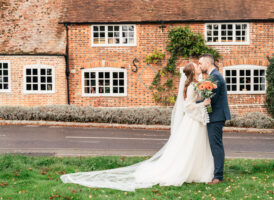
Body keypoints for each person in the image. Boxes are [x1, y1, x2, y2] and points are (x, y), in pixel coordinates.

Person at [60, 62, 214, 191]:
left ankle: (196, 170)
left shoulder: (195, 84)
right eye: (196, 66)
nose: (198, 66)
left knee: (193, 146)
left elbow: (196, 98)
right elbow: (188, 106)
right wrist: (204, 104)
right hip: (192, 120)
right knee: (190, 146)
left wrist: (205, 94)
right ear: (193, 71)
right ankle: (188, 171)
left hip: (194, 121)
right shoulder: (192, 85)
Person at [198, 54, 231, 185]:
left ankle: (218, 176)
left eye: (200, 63)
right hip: (215, 116)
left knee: (216, 145)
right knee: (215, 145)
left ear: (207, 62)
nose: (200, 66)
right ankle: (217, 173)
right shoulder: (213, 76)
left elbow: (211, 99)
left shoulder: (215, 77)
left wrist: (195, 105)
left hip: (216, 116)